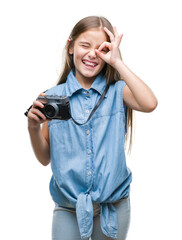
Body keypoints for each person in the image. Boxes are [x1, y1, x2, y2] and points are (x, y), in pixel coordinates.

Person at [26, 16, 158, 240]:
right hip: (68, 208)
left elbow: (150, 103)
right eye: (84, 46)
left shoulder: (118, 92)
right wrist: (32, 128)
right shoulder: (52, 98)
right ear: (70, 47)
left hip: (113, 207)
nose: (91, 54)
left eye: (100, 49)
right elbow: (44, 158)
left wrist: (117, 62)